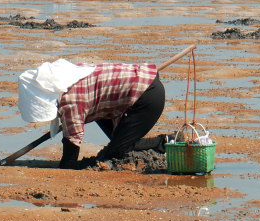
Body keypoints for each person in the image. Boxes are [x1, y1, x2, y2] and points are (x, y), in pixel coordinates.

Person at [18, 59, 170, 169]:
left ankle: (164, 142)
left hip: (147, 95)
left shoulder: (69, 99)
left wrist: (66, 167)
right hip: (128, 96)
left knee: (115, 152)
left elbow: (73, 138)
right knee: (120, 142)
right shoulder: (68, 77)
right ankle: (145, 143)